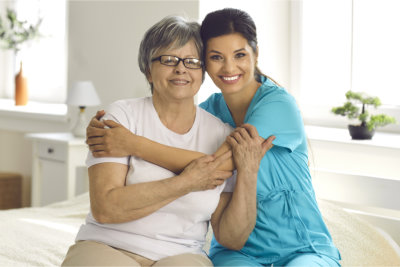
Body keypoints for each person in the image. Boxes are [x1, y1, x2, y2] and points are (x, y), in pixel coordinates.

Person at [86, 8, 341, 267]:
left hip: (298, 246)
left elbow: (213, 168)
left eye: (240, 55)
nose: (229, 67)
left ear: (256, 54)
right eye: (216, 57)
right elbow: (195, 156)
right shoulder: (210, 113)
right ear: (206, 64)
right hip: (240, 250)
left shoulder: (277, 105)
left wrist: (133, 144)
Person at [62, 15, 274, 267]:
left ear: (202, 73)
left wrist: (249, 172)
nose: (181, 68)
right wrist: (187, 182)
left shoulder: (222, 135)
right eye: (168, 59)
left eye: (192, 61)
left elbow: (232, 238)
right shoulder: (121, 118)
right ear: (148, 70)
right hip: (107, 245)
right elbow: (106, 208)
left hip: (182, 255)